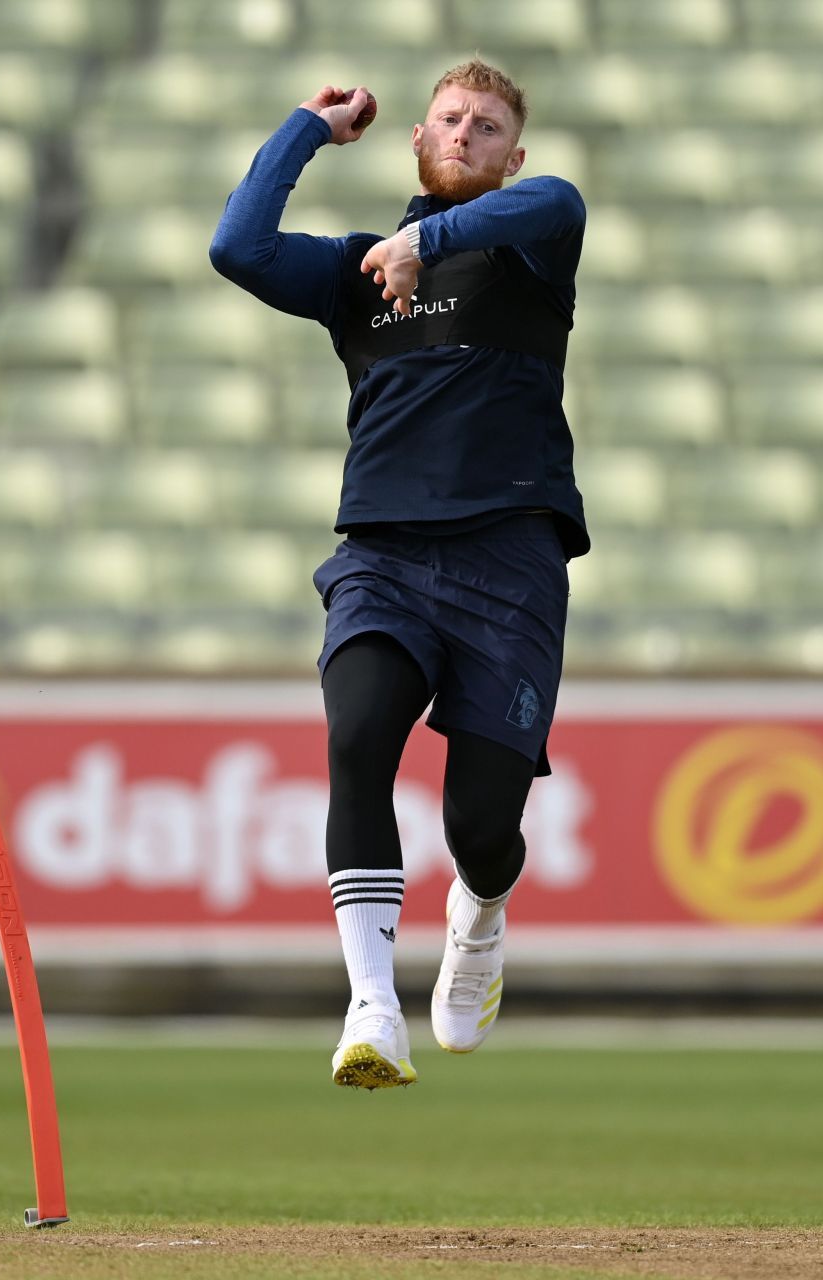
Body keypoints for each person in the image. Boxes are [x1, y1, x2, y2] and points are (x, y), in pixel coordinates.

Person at [211, 58, 588, 1090]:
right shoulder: (353, 277)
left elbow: (561, 199)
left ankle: (481, 912)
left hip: (508, 559)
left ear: (514, 153)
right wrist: (306, 129)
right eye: (451, 118)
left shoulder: (532, 246)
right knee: (359, 732)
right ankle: (372, 1000)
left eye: (491, 125)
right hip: (381, 551)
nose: (467, 132)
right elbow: (236, 247)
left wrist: (423, 239)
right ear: (418, 139)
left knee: (477, 821)